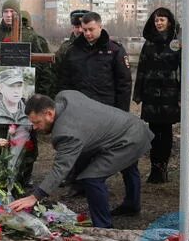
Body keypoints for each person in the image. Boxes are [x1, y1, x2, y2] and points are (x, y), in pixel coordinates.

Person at [9, 92, 153, 228]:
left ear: (49, 113)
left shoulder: (66, 133)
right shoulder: (65, 96)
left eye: (37, 122)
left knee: (92, 178)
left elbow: (61, 168)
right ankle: (131, 205)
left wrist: (36, 196)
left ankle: (103, 227)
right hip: (130, 126)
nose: (34, 127)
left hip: (129, 140)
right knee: (128, 164)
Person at [58, 12, 138, 215]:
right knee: (83, 154)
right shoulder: (73, 51)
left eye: (91, 29)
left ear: (100, 27)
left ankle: (132, 201)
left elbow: (124, 84)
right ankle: (82, 188)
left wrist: (122, 114)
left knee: (126, 159)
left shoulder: (114, 51)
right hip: (82, 114)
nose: (87, 34)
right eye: (84, 30)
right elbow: (65, 81)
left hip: (109, 114)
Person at [0, 0, 49, 189]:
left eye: (12, 11)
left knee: (27, 139)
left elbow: (44, 69)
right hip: (1, 99)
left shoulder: (31, 37)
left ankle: (24, 176)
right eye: (6, 11)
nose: (9, 15)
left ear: (17, 14)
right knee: (3, 139)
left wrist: (41, 98)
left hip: (27, 100)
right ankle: (5, 175)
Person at [132, 8, 181, 184]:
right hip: (151, 94)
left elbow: (182, 69)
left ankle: (163, 168)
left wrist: (182, 94)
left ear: (169, 21)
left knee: (166, 132)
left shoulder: (177, 42)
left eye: (162, 20)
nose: (159, 23)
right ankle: (154, 169)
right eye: (156, 20)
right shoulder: (149, 43)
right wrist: (138, 93)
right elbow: (142, 68)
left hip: (169, 94)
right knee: (153, 131)